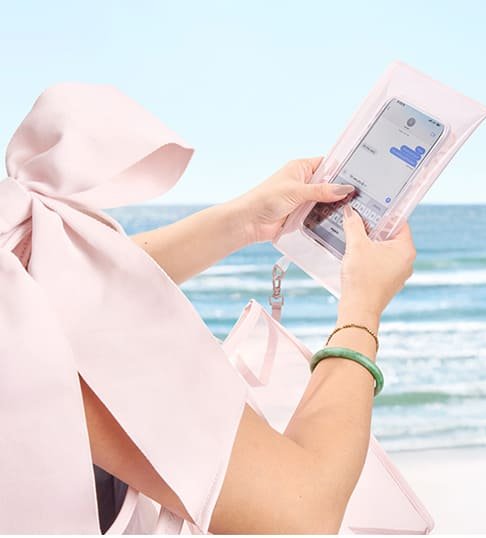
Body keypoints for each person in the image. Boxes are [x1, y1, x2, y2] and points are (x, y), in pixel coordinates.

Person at [1, 84, 415, 534]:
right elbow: (301, 513)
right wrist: (362, 309)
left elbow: (61, 278)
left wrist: (242, 221)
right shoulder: (26, 332)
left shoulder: (26, 281)